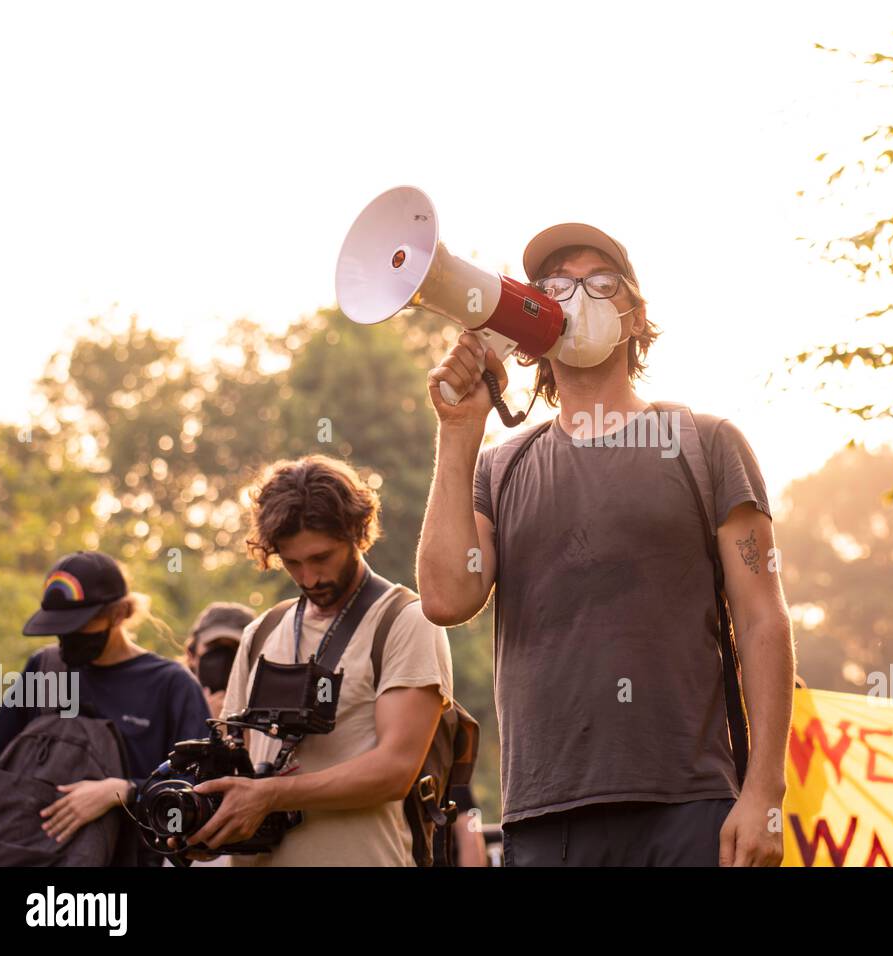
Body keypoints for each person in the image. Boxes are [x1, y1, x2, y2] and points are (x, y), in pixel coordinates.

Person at [417, 223, 795, 866]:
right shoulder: (500, 468)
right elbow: (447, 597)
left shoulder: (705, 444)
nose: (579, 295)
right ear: (533, 321)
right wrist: (460, 431)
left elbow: (764, 619)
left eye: (601, 280)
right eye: (556, 285)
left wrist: (764, 791)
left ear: (634, 314)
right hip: (546, 816)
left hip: (690, 806)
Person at [181, 454, 453, 866]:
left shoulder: (405, 620)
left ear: (357, 534)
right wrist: (206, 826)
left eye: (322, 557)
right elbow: (235, 761)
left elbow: (395, 770)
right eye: (293, 562)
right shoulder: (262, 632)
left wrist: (271, 795)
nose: (309, 578)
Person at [0, 550, 211, 865]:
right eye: (58, 626)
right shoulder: (45, 669)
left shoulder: (171, 685)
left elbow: (199, 789)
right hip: (31, 858)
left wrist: (122, 792)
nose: (67, 637)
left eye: (78, 625)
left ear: (118, 614)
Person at [184, 601, 254, 719]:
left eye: (235, 647)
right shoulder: (172, 699)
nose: (224, 657)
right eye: (214, 646)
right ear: (191, 654)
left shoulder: (263, 707)